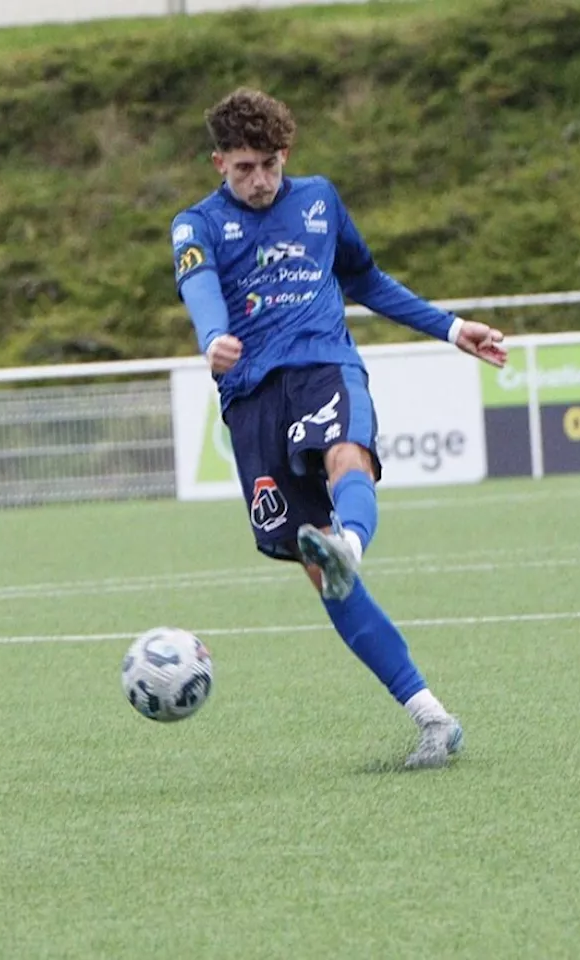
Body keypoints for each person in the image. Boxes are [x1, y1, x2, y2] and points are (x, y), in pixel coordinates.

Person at [169, 88, 508, 769]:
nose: (259, 181)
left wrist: (449, 327)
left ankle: (349, 540)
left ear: (285, 155)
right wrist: (214, 339)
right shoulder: (195, 225)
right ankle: (431, 716)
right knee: (321, 578)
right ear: (218, 164)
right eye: (243, 169)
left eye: (268, 164)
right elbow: (199, 287)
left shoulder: (320, 200)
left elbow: (366, 279)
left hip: (324, 363)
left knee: (346, 455)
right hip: (251, 398)